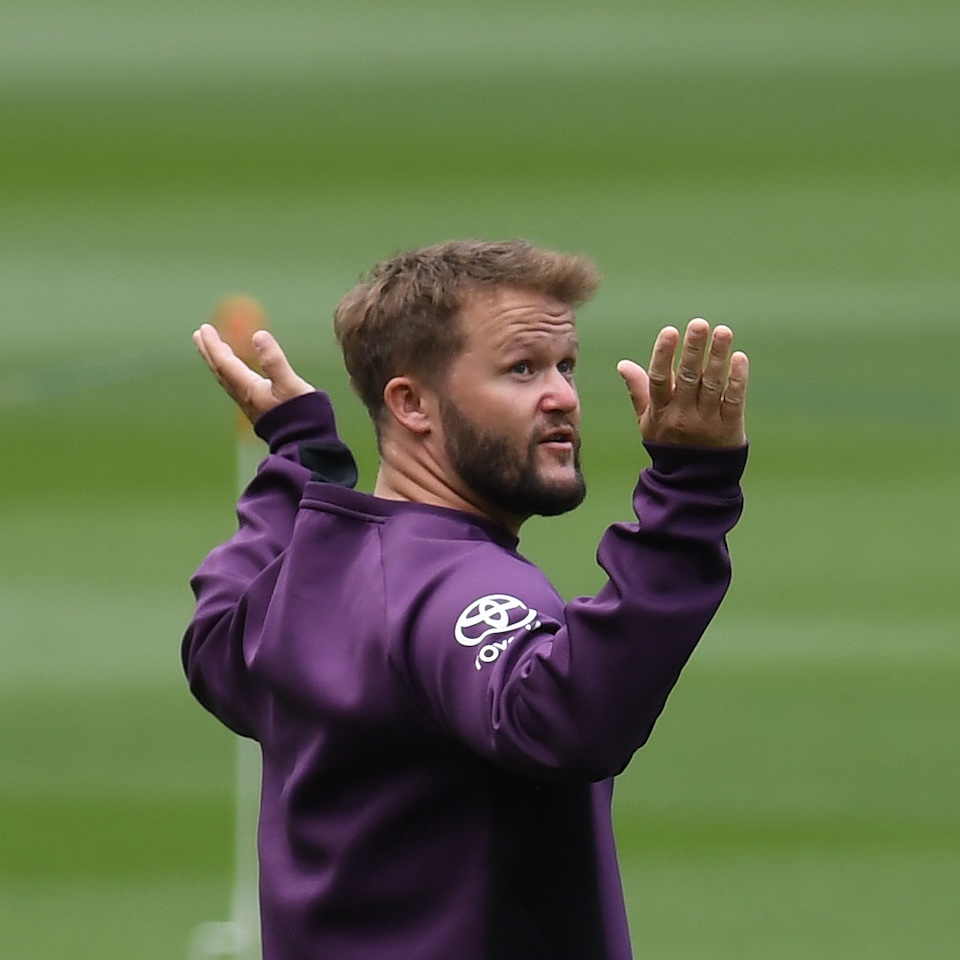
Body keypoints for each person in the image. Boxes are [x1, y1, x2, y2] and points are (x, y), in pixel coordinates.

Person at [183, 239, 749, 960]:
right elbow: (564, 722)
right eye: (522, 369)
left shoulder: (312, 578)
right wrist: (689, 494)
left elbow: (215, 642)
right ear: (411, 404)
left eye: (565, 366)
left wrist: (299, 454)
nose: (563, 397)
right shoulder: (460, 586)